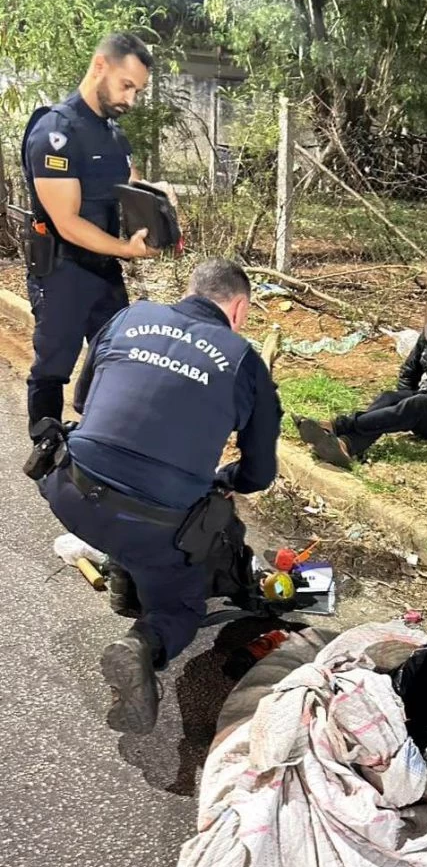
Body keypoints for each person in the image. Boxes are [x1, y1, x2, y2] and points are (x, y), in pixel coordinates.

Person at [36, 258, 282, 736]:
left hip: (70, 490)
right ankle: (143, 644)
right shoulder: (244, 361)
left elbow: (85, 402)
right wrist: (223, 477)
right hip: (153, 523)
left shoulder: (128, 317)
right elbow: (258, 474)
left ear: (191, 291)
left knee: (131, 505)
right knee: (181, 602)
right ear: (239, 309)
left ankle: (125, 573)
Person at [22, 31, 162, 432]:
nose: (131, 100)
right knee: (53, 366)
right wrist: (127, 249)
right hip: (63, 270)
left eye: (138, 90)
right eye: (127, 86)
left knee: (116, 358)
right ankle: (46, 455)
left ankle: (96, 445)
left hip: (104, 269)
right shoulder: (55, 133)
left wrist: (158, 201)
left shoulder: (114, 135)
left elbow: (130, 187)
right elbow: (67, 221)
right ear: (100, 66)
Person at [295, 273, 427, 468]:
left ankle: (337, 425)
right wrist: (401, 405)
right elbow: (410, 370)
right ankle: (346, 446)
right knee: (390, 397)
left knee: (418, 403)